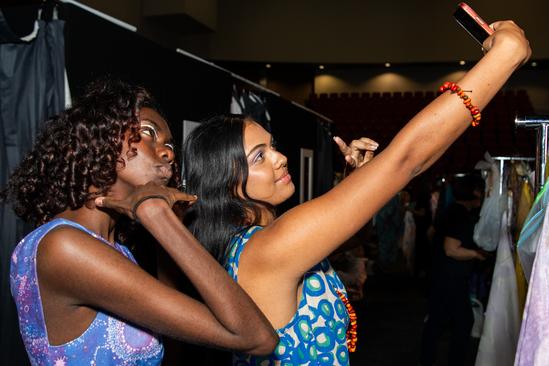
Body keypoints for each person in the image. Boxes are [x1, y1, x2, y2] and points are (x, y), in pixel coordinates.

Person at [183, 20, 531, 365]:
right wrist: (505, 55)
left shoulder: (259, 241)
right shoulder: (267, 248)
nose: (280, 158)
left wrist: (354, 184)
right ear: (226, 182)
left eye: (272, 146)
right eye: (259, 156)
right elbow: (405, 161)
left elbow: (354, 236)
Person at [1, 79, 278, 365]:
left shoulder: (112, 248)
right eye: (148, 132)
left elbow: (174, 336)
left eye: (170, 145)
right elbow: (256, 337)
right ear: (100, 136)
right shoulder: (64, 247)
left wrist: (168, 227)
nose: (168, 152)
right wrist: (156, 214)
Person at [419, 174, 487, 366]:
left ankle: (428, 360)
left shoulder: (450, 210)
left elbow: (431, 234)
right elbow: (451, 249)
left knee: (439, 322)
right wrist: (475, 254)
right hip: (451, 277)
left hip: (442, 274)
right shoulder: (460, 215)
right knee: (461, 322)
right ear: (474, 192)